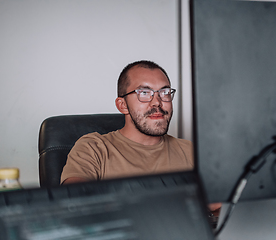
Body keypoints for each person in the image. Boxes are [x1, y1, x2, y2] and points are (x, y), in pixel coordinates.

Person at [60, 60, 221, 213]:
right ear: (122, 105)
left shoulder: (190, 151)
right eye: (144, 93)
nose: (157, 103)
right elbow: (76, 203)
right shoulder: (93, 148)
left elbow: (221, 204)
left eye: (164, 92)